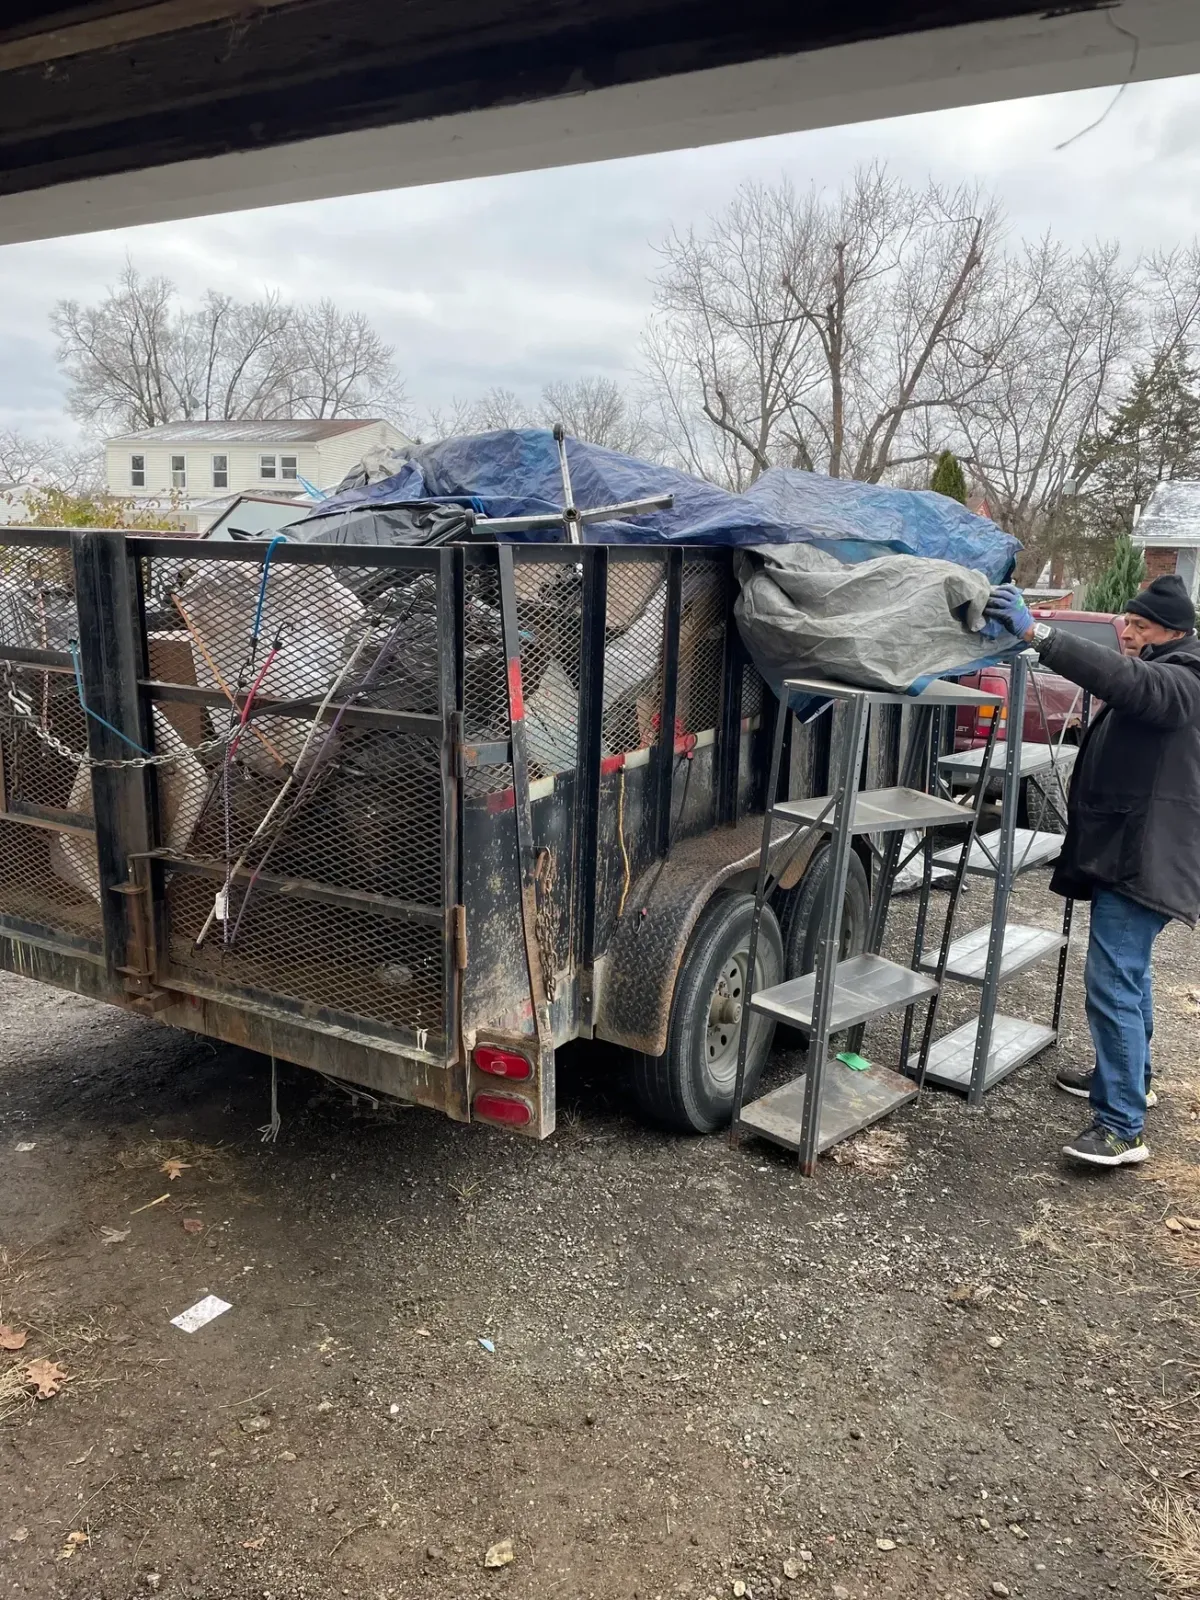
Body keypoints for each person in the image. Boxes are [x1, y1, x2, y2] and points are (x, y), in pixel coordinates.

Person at [985, 574, 1200, 1168]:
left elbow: (1131, 683)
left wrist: (1040, 634)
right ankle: (1132, 1079)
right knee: (1130, 977)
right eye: (1126, 621)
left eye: (1141, 625)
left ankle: (1121, 1126)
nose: (1126, 631)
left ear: (1175, 633)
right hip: (1133, 852)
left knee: (1112, 983)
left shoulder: (1186, 679)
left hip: (1146, 861)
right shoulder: (1171, 668)